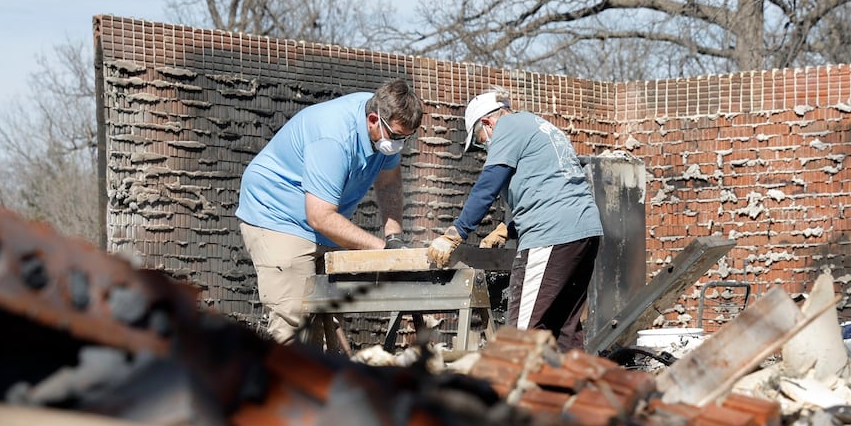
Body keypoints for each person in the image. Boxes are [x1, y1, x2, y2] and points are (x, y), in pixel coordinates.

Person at [237, 79, 424, 343]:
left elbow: (389, 181)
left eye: (406, 138)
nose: (398, 145)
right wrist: (382, 251)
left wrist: (394, 237)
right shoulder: (333, 137)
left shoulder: (385, 122)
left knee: (324, 321)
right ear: (373, 119)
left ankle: (315, 380)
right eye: (395, 137)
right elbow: (320, 216)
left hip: (319, 219)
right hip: (277, 215)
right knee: (294, 319)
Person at [427, 90, 604, 350]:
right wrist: (508, 230)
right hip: (584, 232)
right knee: (564, 331)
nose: (485, 147)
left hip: (551, 235)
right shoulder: (538, 125)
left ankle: (513, 390)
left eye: (480, 141)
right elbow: (552, 188)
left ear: (486, 123)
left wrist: (456, 232)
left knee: (520, 334)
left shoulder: (507, 126)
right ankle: (574, 388)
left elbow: (488, 185)